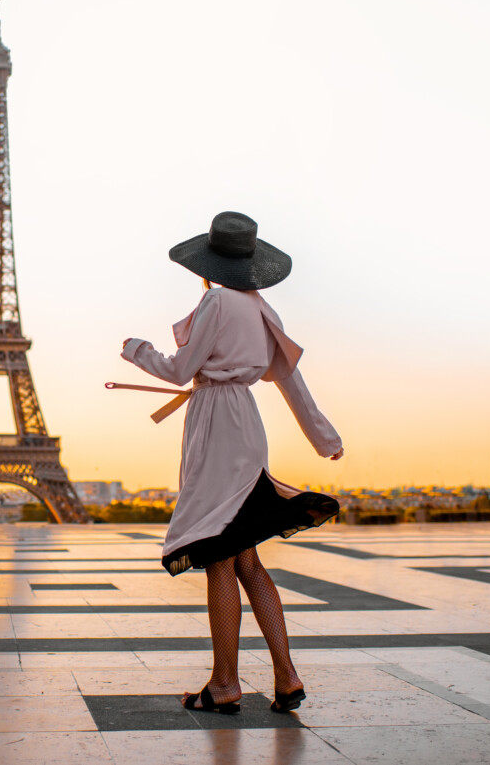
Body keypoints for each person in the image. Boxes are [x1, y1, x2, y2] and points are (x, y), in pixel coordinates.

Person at [117, 210, 344, 715]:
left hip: (215, 424)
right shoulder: (263, 309)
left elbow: (179, 370)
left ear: (208, 263)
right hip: (246, 422)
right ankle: (286, 676)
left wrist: (137, 350)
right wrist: (324, 437)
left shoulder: (215, 300)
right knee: (246, 556)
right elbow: (291, 381)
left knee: (218, 549)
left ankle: (225, 684)